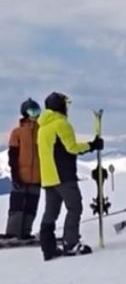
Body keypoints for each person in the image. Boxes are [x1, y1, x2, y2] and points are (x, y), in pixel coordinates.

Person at [37, 92, 103, 260]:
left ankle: (48, 248)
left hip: (48, 177)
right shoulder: (61, 124)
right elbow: (71, 148)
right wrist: (92, 145)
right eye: (65, 104)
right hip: (63, 175)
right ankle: (71, 243)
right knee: (75, 207)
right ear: (60, 106)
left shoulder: (42, 128)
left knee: (50, 212)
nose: (67, 108)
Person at [4, 99, 42, 240]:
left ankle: (25, 232)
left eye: (37, 111)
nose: (35, 115)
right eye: (32, 111)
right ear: (25, 113)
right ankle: (13, 233)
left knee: (31, 206)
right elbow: (13, 156)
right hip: (21, 175)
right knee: (17, 206)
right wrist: (15, 175)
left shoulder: (41, 131)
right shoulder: (17, 132)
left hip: (36, 177)